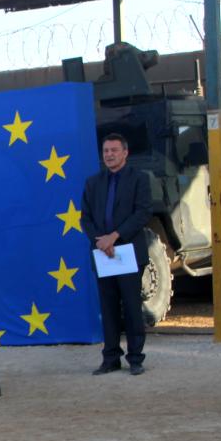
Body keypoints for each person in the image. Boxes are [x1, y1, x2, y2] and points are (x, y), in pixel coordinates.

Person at [80, 133, 152, 376]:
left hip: (128, 251)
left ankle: (135, 358)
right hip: (103, 254)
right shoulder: (93, 183)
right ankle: (110, 358)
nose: (109, 155)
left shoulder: (139, 179)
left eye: (113, 150)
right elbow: (85, 218)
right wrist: (101, 241)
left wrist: (115, 236)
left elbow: (142, 213)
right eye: (106, 151)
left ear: (125, 153)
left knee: (131, 307)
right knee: (108, 308)